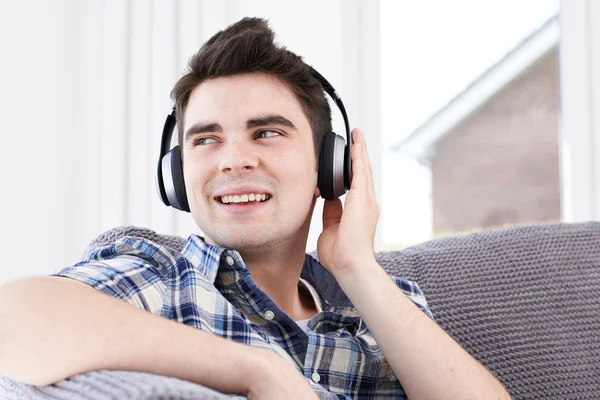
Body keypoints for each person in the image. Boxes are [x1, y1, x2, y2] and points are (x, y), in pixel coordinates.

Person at [0, 17, 510, 400]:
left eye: (266, 132)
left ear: (330, 168)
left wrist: (357, 267)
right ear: (178, 177)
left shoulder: (380, 314)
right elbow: (11, 320)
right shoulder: (165, 277)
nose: (234, 159)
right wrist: (257, 370)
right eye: (206, 140)